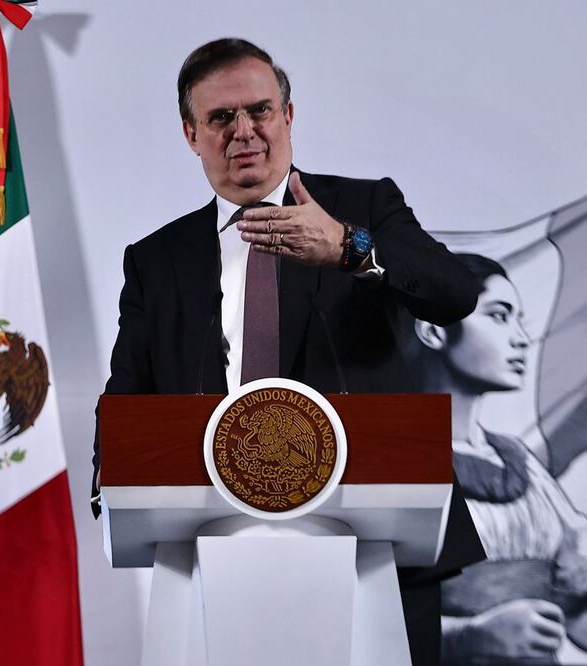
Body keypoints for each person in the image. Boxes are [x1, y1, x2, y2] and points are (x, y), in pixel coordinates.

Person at [91, 38, 485, 665]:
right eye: (221, 118)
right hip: (211, 545)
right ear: (192, 134)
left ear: (288, 116)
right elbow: (128, 395)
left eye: (260, 110)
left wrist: (351, 247)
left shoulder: (360, 208)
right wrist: (108, 477)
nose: (243, 131)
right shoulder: (157, 260)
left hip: (375, 540)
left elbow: (455, 293)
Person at [411, 253, 587, 664]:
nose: (522, 338)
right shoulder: (391, 455)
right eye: (499, 316)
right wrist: (466, 637)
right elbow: (360, 609)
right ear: (433, 331)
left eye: (519, 320)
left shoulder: (518, 459)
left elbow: (577, 616)